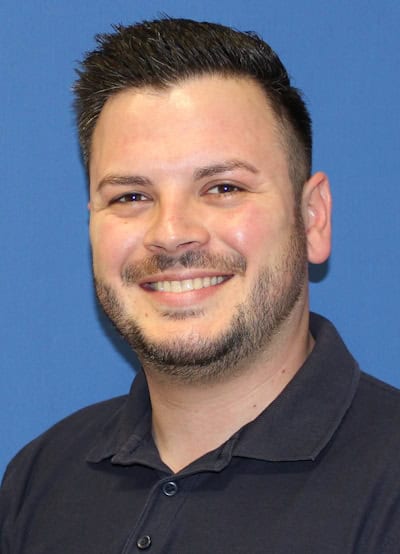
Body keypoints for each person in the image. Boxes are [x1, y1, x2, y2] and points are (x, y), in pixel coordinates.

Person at [1, 17, 399, 553]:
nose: (171, 234)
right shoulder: (38, 481)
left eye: (223, 187)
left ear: (313, 218)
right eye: (131, 197)